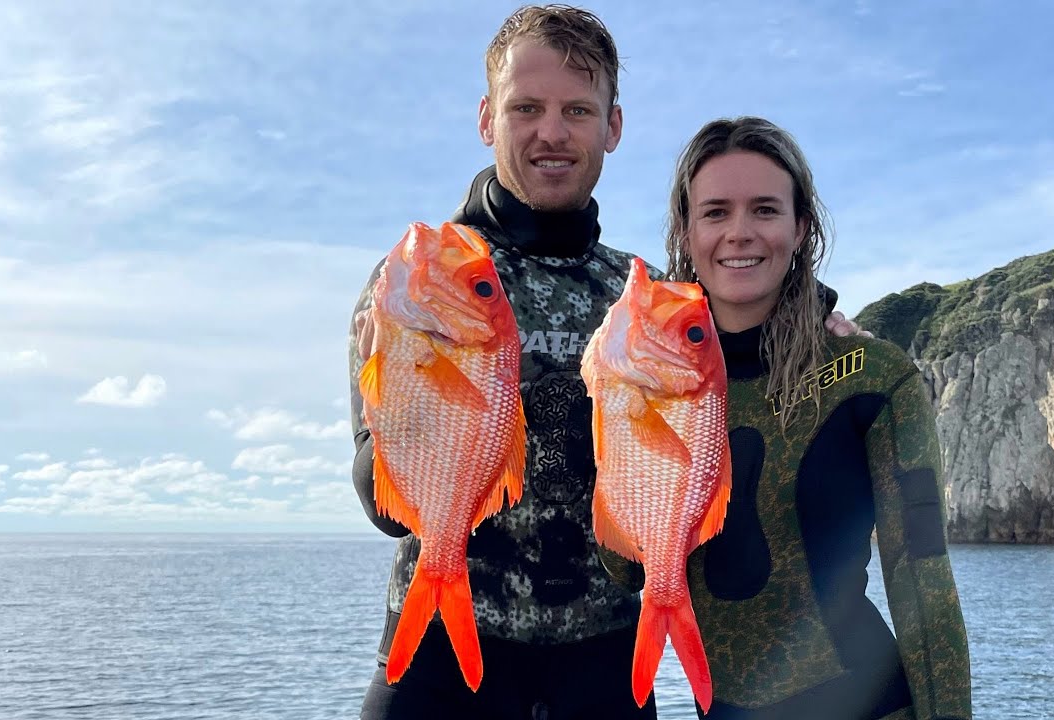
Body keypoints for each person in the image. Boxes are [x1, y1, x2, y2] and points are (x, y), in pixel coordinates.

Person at [348, 8, 866, 718]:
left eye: (578, 110)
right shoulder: (415, 280)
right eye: (525, 107)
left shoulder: (641, 294)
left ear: (612, 127)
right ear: (485, 117)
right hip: (436, 659)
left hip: (606, 672)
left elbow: (754, 324)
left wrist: (829, 326)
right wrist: (397, 419)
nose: (551, 132)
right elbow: (381, 508)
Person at [604, 116, 972, 720]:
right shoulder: (648, 381)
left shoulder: (870, 376)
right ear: (687, 230)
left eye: (766, 210)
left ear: (801, 227)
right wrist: (617, 416)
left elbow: (923, 581)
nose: (740, 233)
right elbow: (622, 568)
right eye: (716, 212)